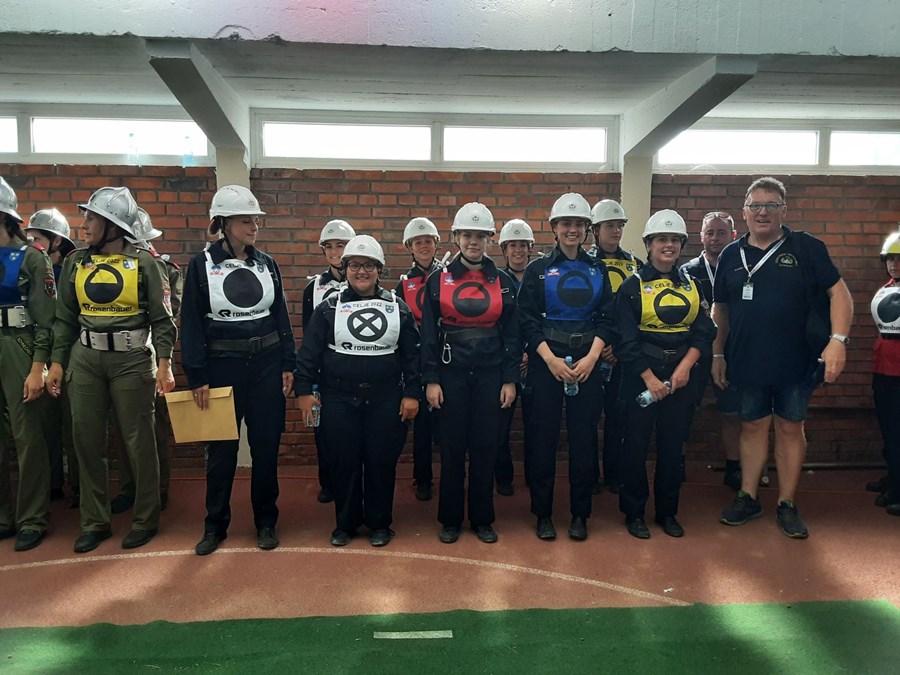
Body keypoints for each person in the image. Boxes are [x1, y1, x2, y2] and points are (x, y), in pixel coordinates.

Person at [713, 176, 853, 539]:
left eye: (771, 205)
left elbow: (840, 295)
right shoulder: (730, 254)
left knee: (790, 427)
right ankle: (748, 497)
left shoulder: (806, 247)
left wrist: (838, 341)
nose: (763, 212)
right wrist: (717, 353)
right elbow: (721, 309)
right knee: (751, 426)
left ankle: (786, 503)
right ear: (744, 212)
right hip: (746, 359)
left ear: (784, 211)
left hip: (797, 359)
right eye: (755, 205)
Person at [45, 186, 176, 553]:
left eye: (92, 218)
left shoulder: (146, 263)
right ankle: (94, 522)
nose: (84, 225)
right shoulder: (76, 262)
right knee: (86, 441)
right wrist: (57, 362)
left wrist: (164, 364)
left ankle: (145, 519)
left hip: (132, 360)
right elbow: (64, 318)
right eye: (85, 217)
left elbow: (163, 319)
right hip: (85, 358)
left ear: (114, 225)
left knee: (138, 441)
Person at [180, 185, 295, 556]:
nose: (254, 227)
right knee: (221, 452)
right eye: (246, 221)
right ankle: (215, 526)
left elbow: (280, 316)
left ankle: (266, 522)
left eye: (256, 221)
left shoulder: (267, 263)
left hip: (266, 366)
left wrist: (288, 363)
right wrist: (197, 376)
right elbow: (191, 323)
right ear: (224, 223)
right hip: (221, 368)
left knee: (266, 447)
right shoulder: (200, 264)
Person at [297, 235, 421, 547]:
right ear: (345, 268)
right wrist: (304, 391)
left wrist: (412, 393)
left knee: (381, 462)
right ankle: (346, 524)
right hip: (339, 398)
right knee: (344, 461)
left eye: (368, 265)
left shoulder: (398, 308)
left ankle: (380, 524)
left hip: (386, 398)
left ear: (379, 269)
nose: (361, 271)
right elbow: (309, 353)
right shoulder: (328, 308)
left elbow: (412, 356)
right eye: (354, 265)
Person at [421, 202, 519, 544]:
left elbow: (513, 335)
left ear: (490, 239)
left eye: (480, 235)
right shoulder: (437, 280)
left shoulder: (504, 281)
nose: (473, 241)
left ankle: (482, 519)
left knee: (485, 446)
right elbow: (428, 335)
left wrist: (510, 379)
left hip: (491, 376)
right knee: (451, 448)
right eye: (467, 235)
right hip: (451, 375)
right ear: (456, 238)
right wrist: (431, 379)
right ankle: (450, 519)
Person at [518, 193, 615, 542]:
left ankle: (580, 514)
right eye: (565, 223)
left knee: (584, 440)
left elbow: (607, 319)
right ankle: (543, 514)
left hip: (587, 364)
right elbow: (526, 321)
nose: (572, 229)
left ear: (587, 229)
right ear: (554, 227)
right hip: (547, 363)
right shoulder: (538, 270)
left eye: (578, 224)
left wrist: (592, 357)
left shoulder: (598, 269)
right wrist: (550, 360)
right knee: (542, 439)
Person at [616, 210, 716, 539]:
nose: (668, 245)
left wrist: (684, 370)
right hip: (641, 378)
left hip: (680, 380)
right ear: (648, 244)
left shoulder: (693, 285)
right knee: (635, 447)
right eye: (662, 239)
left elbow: (704, 333)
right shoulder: (632, 286)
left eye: (674, 240)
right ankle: (634, 513)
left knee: (672, 449)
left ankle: (667, 513)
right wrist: (649, 379)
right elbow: (625, 341)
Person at [110, 208, 184, 514]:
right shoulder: (108, 266)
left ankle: (158, 489)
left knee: (153, 428)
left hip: (149, 354)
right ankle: (129, 487)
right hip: (116, 357)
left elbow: (170, 313)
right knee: (122, 427)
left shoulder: (164, 268)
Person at [0, 177, 56, 551]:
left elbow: (47, 319)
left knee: (28, 436)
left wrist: (38, 367)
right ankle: (3, 516)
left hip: (19, 345)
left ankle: (33, 518)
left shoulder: (32, 257)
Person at [680, 211, 743, 490]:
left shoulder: (741, 269)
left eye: (721, 232)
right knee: (683, 411)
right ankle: (677, 462)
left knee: (731, 412)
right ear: (701, 237)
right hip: (693, 351)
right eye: (710, 233)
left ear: (733, 235)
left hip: (731, 353)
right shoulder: (687, 271)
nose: (715, 238)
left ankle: (734, 468)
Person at [587, 199, 640, 495]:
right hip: (590, 353)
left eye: (620, 225)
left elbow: (637, 313)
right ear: (595, 230)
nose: (616, 231)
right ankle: (590, 476)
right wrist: (600, 345)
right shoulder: (583, 263)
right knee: (588, 418)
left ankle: (614, 475)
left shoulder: (635, 264)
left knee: (619, 417)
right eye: (610, 225)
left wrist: (618, 346)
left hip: (622, 355)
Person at [24, 208, 77, 504]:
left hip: (70, 355)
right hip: (39, 354)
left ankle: (79, 484)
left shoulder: (70, 271)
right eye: (29, 237)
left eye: (38, 238)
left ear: (57, 241)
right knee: (46, 424)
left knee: (75, 423)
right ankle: (53, 483)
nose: (32, 243)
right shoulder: (29, 268)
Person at [303, 219, 356, 505]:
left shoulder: (364, 282)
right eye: (330, 246)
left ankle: (352, 482)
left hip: (353, 370)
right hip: (323, 372)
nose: (336, 252)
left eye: (341, 245)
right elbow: (308, 336)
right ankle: (328, 481)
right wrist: (308, 378)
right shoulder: (313, 288)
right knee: (323, 429)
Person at [394, 217, 443, 502]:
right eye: (418, 242)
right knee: (422, 424)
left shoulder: (449, 277)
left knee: (450, 424)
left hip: (448, 359)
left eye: (428, 241)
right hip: (418, 360)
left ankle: (453, 476)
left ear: (436, 244)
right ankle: (422, 478)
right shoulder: (402, 286)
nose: (424, 246)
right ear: (409, 247)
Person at [494, 218, 534, 496]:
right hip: (504, 363)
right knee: (500, 425)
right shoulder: (495, 281)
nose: (518, 250)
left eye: (522, 245)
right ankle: (503, 476)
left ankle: (534, 474)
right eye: (512, 245)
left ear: (530, 249)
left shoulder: (541, 278)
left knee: (536, 424)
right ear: (504, 250)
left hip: (536, 361)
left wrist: (531, 351)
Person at [870, 230, 900, 516]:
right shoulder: (888, 287)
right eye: (890, 259)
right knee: (889, 429)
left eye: (899, 259)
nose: (894, 264)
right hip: (884, 369)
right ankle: (893, 477)